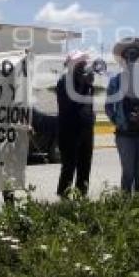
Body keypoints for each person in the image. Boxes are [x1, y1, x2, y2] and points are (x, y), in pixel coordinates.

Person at [105, 38, 139, 193]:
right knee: (128, 173)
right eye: (129, 55)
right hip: (125, 134)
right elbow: (109, 105)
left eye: (136, 55)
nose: (132, 58)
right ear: (124, 59)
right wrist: (118, 120)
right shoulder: (116, 81)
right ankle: (125, 209)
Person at [55, 51, 95, 198]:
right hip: (69, 132)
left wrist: (88, 84)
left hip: (86, 131)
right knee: (69, 167)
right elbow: (69, 105)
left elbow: (88, 106)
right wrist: (83, 84)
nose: (84, 66)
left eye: (84, 63)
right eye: (80, 63)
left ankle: (81, 196)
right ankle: (63, 199)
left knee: (85, 166)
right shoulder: (64, 81)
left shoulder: (87, 83)